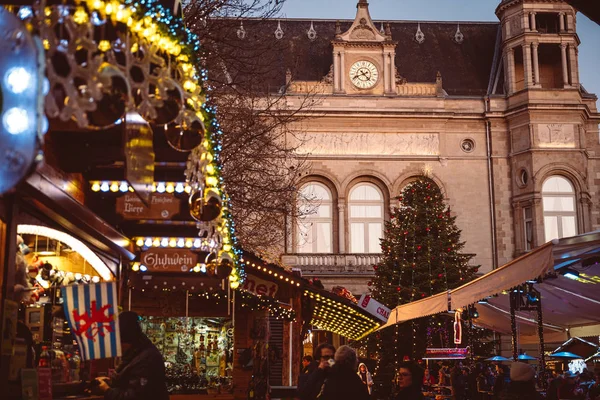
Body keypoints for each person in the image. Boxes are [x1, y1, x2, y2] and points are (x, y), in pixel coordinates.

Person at [96, 311, 169, 400]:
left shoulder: (147, 359)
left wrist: (107, 390)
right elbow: (128, 380)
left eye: (119, 342)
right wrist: (110, 381)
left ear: (128, 339)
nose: (117, 346)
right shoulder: (135, 353)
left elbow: (135, 396)